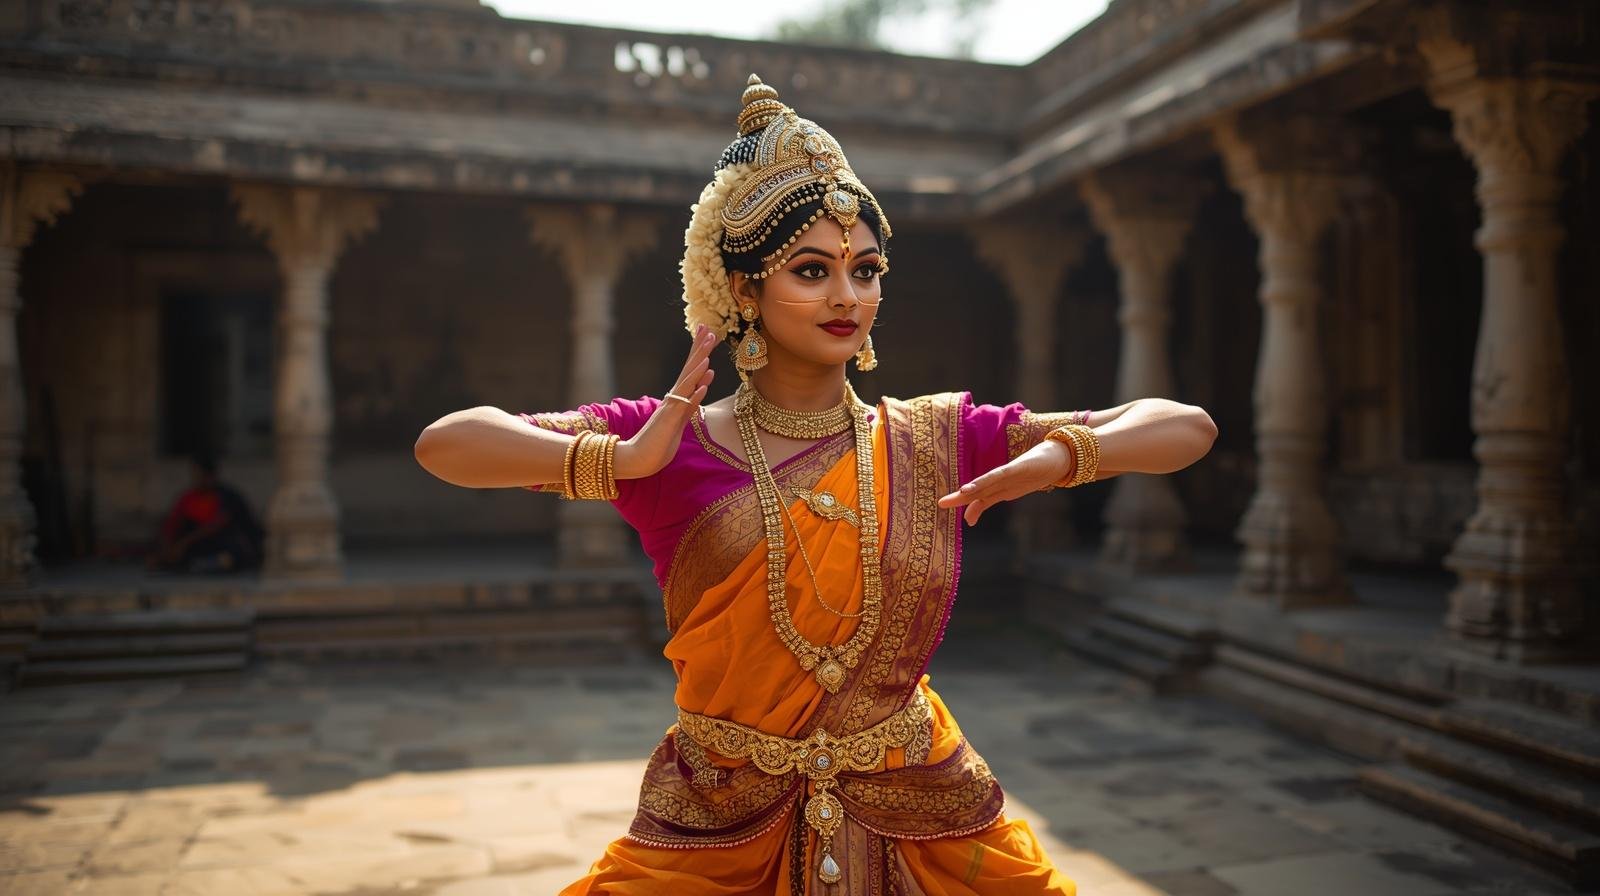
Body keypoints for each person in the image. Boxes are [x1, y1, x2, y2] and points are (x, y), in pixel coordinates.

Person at [415, 74, 1217, 895]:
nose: (848, 296)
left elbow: (1186, 426)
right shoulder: (669, 441)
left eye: (865, 270)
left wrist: (1062, 456)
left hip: (923, 804)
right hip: (718, 822)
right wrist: (619, 461)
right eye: (811, 270)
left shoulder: (933, 438)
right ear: (742, 290)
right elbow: (447, 445)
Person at [147, 454, 264, 574]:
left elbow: (218, 524)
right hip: (194, 549)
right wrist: (167, 547)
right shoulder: (188, 498)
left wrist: (184, 543)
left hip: (222, 547)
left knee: (230, 557)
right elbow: (171, 524)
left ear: (211, 476)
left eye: (200, 475)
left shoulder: (228, 496)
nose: (196, 479)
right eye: (194, 475)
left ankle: (199, 565)